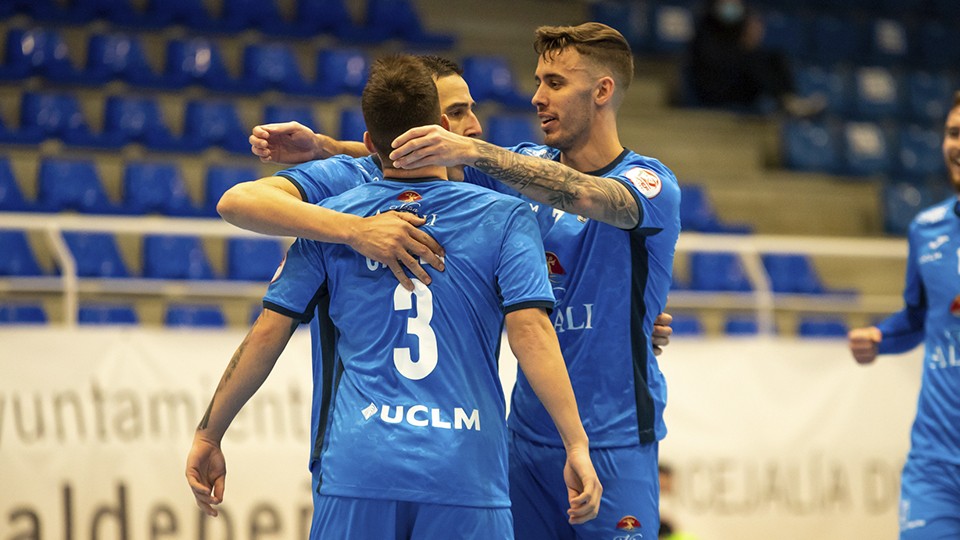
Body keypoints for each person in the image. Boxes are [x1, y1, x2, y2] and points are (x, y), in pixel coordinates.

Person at [185, 54, 602, 539]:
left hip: (360, 465)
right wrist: (576, 444)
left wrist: (208, 433)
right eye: (461, 113)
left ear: (368, 144)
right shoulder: (506, 216)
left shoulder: (328, 220)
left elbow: (266, 335)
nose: (475, 125)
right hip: (465, 470)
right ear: (441, 127)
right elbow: (532, 332)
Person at [389, 23, 681, 538]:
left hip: (615, 443)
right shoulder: (525, 167)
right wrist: (325, 145)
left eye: (555, 83)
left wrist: (478, 154)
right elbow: (425, 159)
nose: (537, 96)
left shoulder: (649, 182)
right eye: (539, 80)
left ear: (602, 91)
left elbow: (589, 197)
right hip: (524, 442)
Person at [847, 92, 960, 539]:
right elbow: (917, 317)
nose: (958, 145)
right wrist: (880, 335)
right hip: (935, 465)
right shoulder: (926, 229)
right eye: (953, 134)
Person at [686, 0, 825, 117]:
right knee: (752, 59)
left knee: (775, 56)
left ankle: (790, 99)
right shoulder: (708, 19)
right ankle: (784, 101)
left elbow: (750, 36)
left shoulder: (742, 15)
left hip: (737, 82)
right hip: (712, 85)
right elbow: (729, 22)